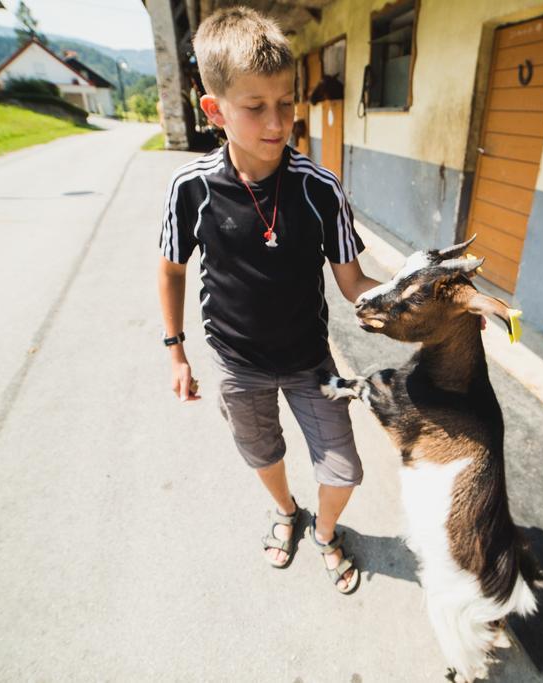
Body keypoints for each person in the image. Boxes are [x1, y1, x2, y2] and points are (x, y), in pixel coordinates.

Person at [157, 6, 381, 594]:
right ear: (214, 110)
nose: (277, 122)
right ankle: (286, 512)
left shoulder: (319, 188)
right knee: (261, 451)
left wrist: (414, 301)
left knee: (345, 468)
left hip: (311, 362)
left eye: (286, 103)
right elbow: (171, 267)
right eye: (255, 107)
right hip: (236, 365)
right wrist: (176, 350)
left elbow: (353, 281)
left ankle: (325, 532)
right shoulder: (193, 189)